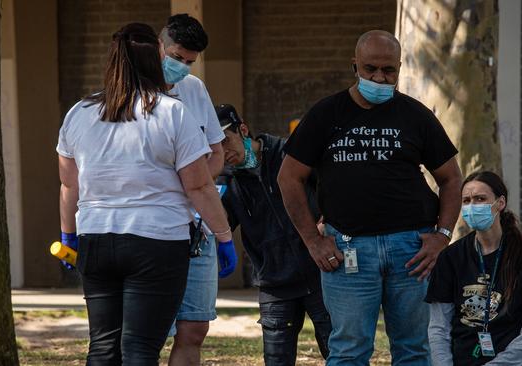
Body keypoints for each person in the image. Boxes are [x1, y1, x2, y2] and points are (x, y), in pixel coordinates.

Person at [277, 30, 463, 365]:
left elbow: (451, 178)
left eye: (388, 70)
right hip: (347, 248)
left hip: (412, 250)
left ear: (400, 68)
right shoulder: (326, 114)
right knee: (349, 350)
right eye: (370, 69)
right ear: (354, 66)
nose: (379, 77)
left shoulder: (415, 115)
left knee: (413, 349)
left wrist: (442, 237)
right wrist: (312, 241)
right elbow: (288, 177)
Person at [57, 23, 233, 365]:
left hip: (96, 238)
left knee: (103, 347)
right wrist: (224, 236)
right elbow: (198, 185)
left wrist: (68, 234)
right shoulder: (171, 112)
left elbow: (69, 184)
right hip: (155, 241)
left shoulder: (79, 113)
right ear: (156, 59)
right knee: (139, 347)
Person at [216, 104, 332, 365]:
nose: (223, 151)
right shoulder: (226, 179)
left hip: (321, 273)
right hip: (274, 283)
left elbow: (331, 185)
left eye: (226, 140)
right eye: (214, 145)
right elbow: (220, 223)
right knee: (276, 359)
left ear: (243, 129)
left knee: (339, 352)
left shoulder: (289, 153)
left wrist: (327, 222)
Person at [159, 14, 237, 366]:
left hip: (198, 227)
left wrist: (194, 187)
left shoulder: (194, 89)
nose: (182, 68)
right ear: (159, 46)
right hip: (154, 230)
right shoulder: (129, 91)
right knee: (148, 331)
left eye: (190, 62)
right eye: (176, 58)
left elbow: (216, 152)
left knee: (193, 328)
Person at [426, 171, 522, 365]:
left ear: (500, 203)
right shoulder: (450, 257)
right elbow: (439, 328)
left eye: (480, 199)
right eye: (466, 201)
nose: (472, 206)